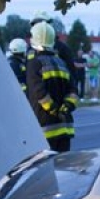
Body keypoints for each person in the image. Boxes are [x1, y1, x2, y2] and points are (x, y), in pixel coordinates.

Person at [26, 21, 78, 153]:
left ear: (34, 40)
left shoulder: (34, 63)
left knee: (46, 172)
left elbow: (39, 93)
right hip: (64, 128)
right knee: (63, 170)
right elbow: (73, 90)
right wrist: (66, 108)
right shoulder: (61, 63)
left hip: (44, 130)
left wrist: (54, 110)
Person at [29, 10, 77, 85]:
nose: (40, 27)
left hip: (56, 91)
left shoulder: (62, 48)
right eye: (36, 24)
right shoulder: (30, 49)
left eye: (42, 23)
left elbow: (71, 74)